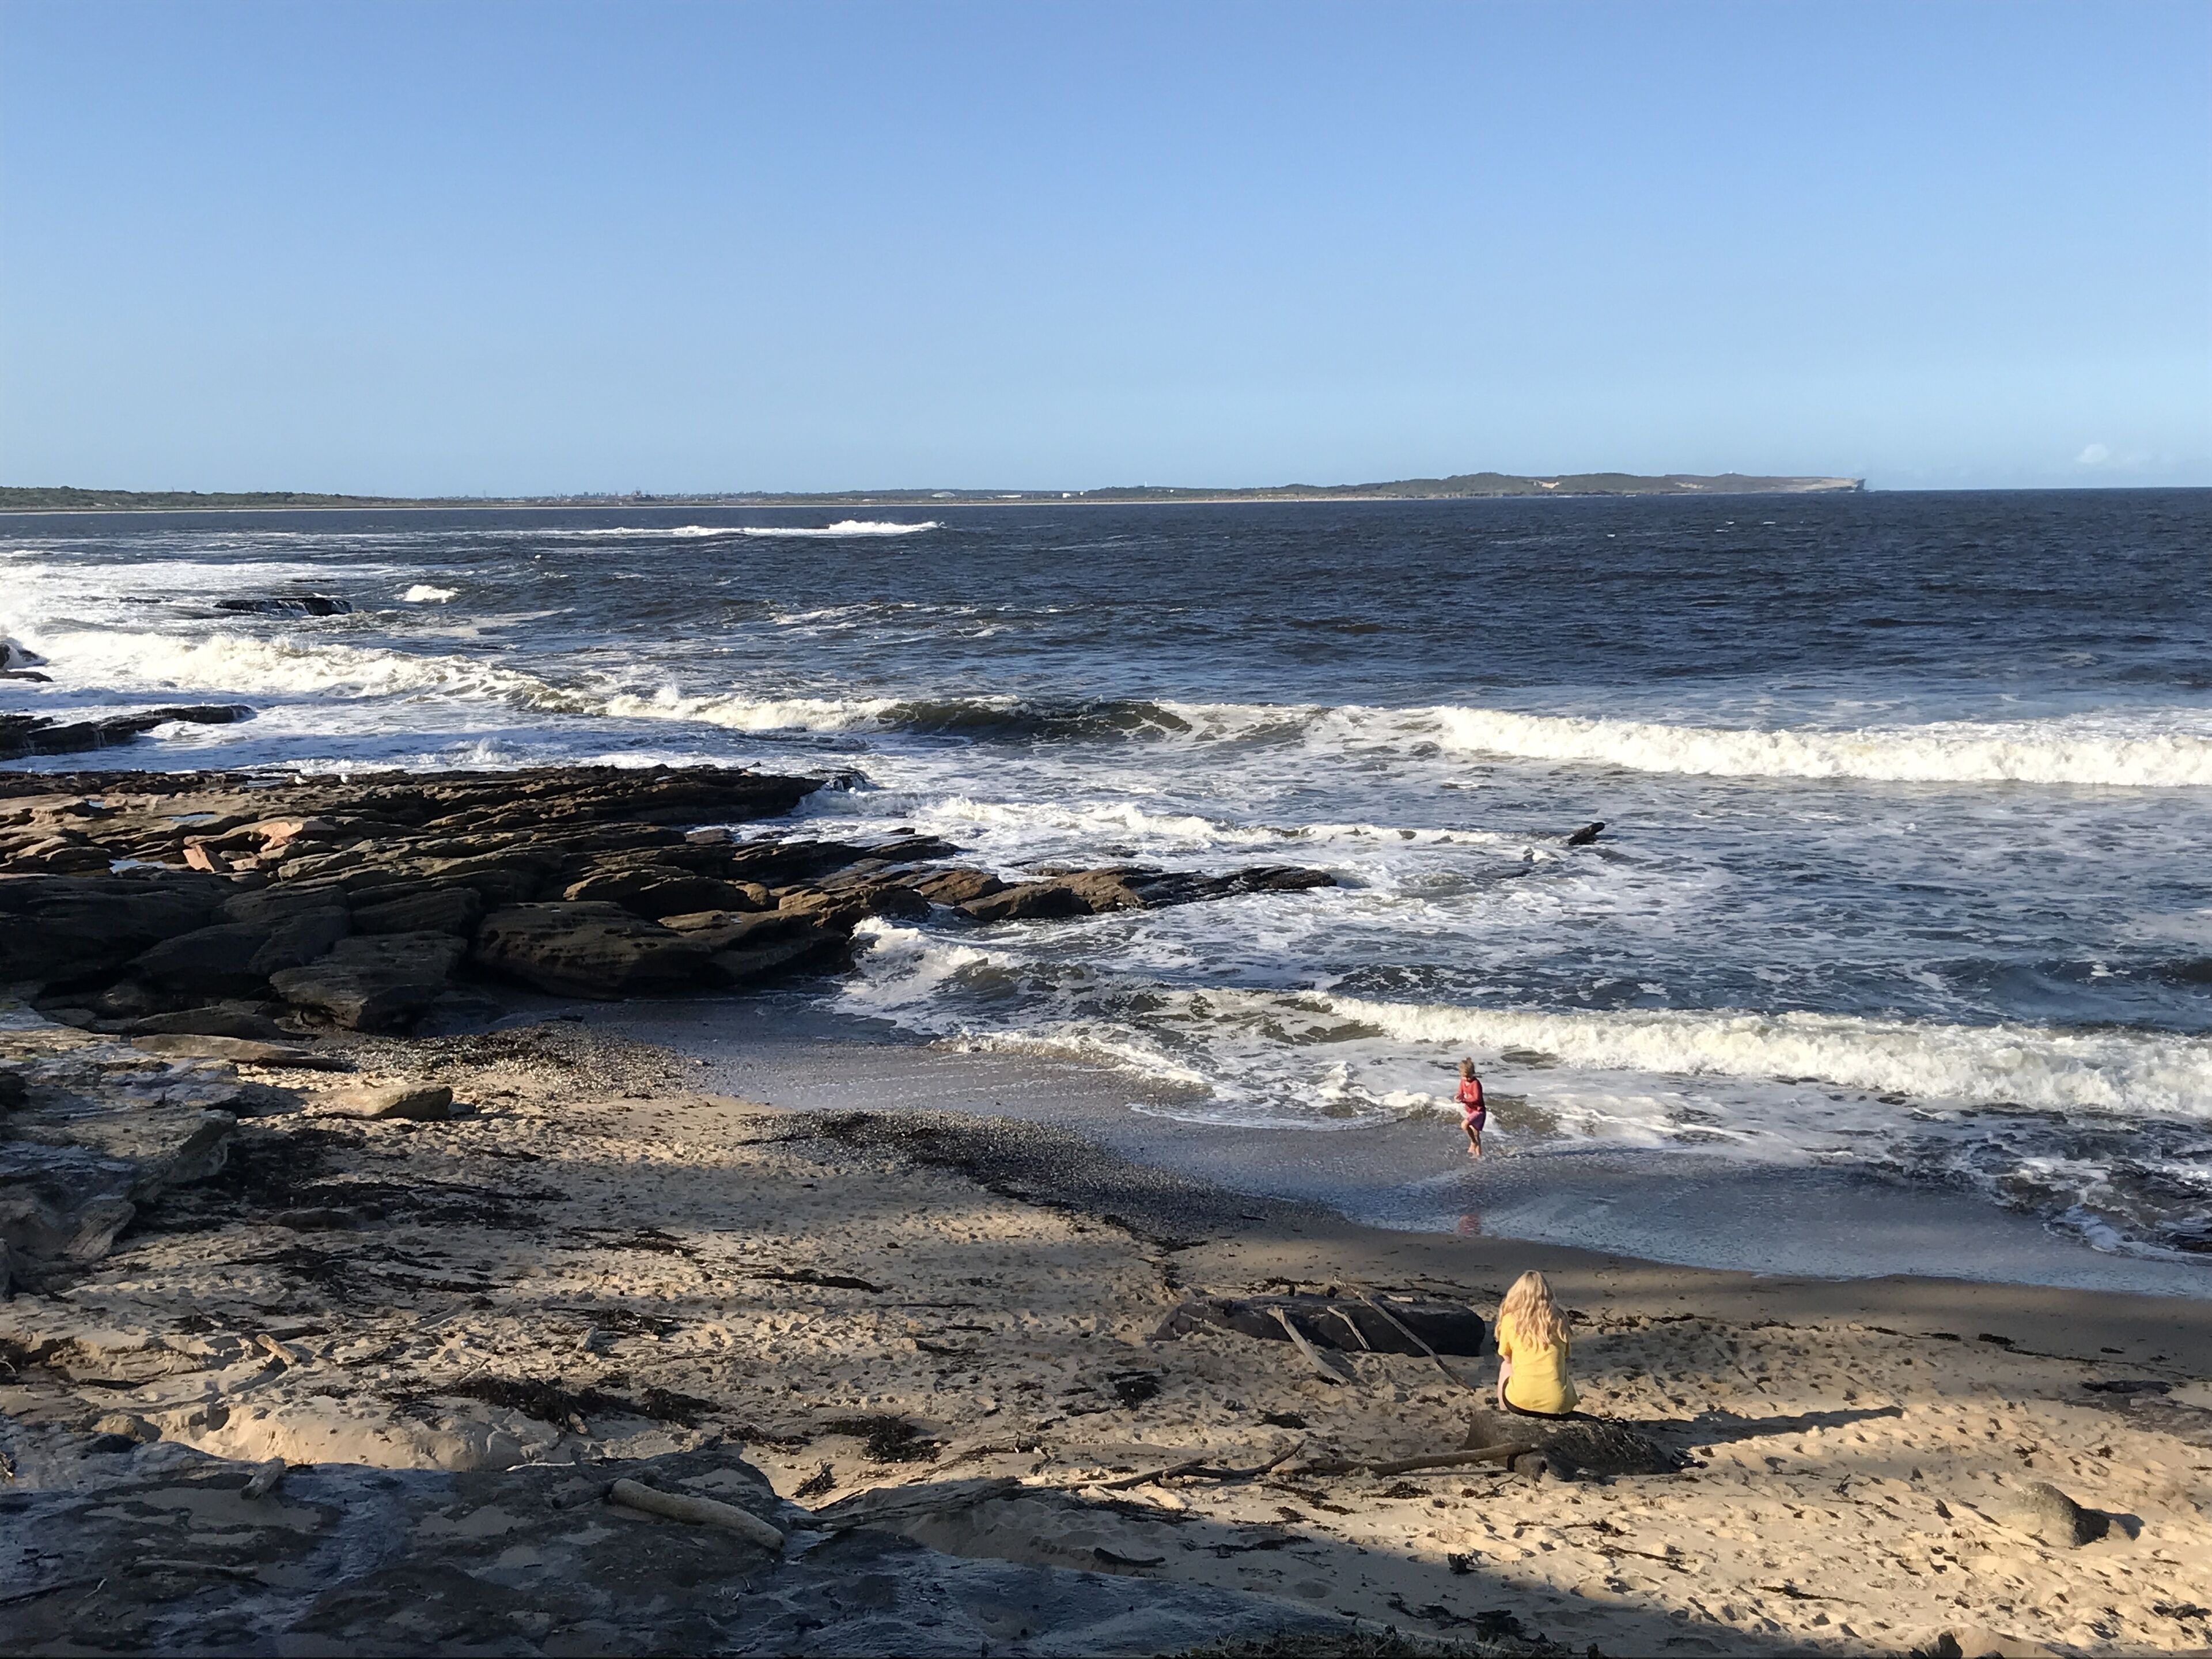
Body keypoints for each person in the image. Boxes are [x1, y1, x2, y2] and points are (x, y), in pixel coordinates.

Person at [1494, 1269, 1577, 1417]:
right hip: (1559, 1405)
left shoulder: (1510, 1320)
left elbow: (1507, 1358)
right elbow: (1565, 1355)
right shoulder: (1559, 1319)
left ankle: (1504, 1414)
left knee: (1506, 1366)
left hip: (1520, 1401)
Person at [1455, 1057, 1487, 1160]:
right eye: (1465, 1077)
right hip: (1470, 1110)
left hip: (1478, 1111)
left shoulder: (1475, 1083)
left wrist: (1464, 1100)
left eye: (1469, 1077)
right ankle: (1479, 1157)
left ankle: (1473, 1142)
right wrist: (1458, 1097)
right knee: (1476, 1133)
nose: (1467, 1079)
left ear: (1473, 1073)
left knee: (1464, 1125)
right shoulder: (1463, 1082)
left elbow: (1476, 1099)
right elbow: (1460, 1093)